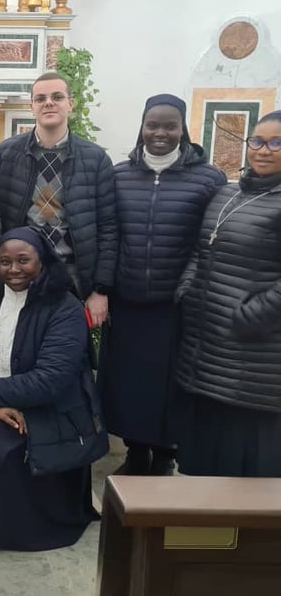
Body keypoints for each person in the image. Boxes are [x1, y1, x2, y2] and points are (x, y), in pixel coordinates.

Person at [0, 228, 103, 551]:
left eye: (23, 261)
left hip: (54, 412)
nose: (13, 269)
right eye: (5, 262)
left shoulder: (65, 307)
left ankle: (6, 527)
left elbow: (49, 381)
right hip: (0, 399)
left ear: (43, 263)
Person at [98, 94, 226, 475]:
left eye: (170, 125)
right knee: (130, 382)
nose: (160, 133)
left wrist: (187, 287)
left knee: (170, 383)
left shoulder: (208, 178)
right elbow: (111, 234)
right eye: (152, 124)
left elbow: (208, 241)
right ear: (142, 126)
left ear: (183, 128)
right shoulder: (119, 175)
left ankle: (167, 454)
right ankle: (136, 453)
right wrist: (106, 286)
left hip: (177, 302)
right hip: (128, 299)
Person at [175, 110, 281, 477]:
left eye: (275, 143)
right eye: (257, 141)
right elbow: (199, 249)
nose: (263, 150)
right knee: (206, 455)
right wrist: (187, 289)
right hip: (205, 349)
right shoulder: (227, 193)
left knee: (245, 467)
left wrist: (251, 315)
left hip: (255, 358)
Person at [0, 71, 117, 328]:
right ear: (31, 106)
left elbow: (109, 228)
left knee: (66, 356)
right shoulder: (5, 155)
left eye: (57, 97)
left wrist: (100, 290)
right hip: (19, 278)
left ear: (71, 104)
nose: (49, 103)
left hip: (73, 281)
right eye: (41, 98)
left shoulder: (95, 159)